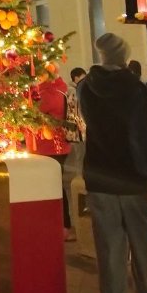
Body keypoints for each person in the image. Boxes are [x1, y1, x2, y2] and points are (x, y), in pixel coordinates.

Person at [78, 33, 147, 293]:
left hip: (99, 176)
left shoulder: (85, 87)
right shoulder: (134, 88)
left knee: (109, 250)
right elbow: (142, 134)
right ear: (123, 55)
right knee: (143, 246)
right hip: (130, 178)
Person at [26, 73, 72, 239]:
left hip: (49, 147)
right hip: (58, 146)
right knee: (56, 185)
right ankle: (62, 225)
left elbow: (32, 112)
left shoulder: (47, 93)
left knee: (53, 186)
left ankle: (63, 225)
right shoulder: (60, 89)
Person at [63, 67, 87, 233]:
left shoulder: (72, 90)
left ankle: (81, 176)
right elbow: (75, 111)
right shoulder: (73, 91)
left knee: (81, 155)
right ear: (76, 77)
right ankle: (81, 178)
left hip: (78, 129)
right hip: (78, 130)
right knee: (80, 156)